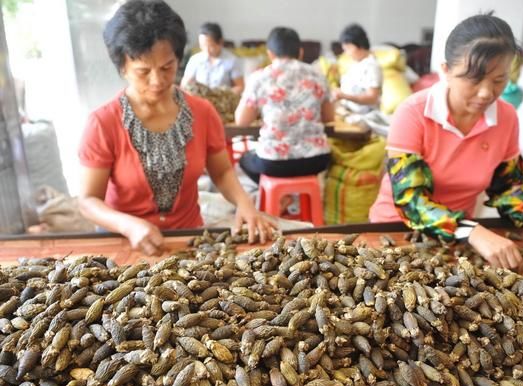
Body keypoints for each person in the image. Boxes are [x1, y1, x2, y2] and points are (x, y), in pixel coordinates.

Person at [78, 0, 274, 255]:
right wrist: (128, 226)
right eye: (143, 71)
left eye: (167, 67)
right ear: (122, 67)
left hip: (189, 240)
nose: (157, 80)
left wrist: (244, 203)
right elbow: (88, 200)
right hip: (127, 242)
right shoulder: (103, 123)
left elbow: (222, 171)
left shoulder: (202, 112)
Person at [369, 13, 523, 269]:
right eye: (474, 78)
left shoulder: (507, 117)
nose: (486, 92)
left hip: (459, 242)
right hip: (395, 233)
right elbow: (411, 200)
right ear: (446, 71)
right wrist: (473, 231)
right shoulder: (413, 113)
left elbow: (507, 185)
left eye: (499, 80)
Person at [234, 26, 334, 185]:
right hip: (317, 160)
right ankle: (293, 195)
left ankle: (279, 195)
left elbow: (242, 121)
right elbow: (329, 117)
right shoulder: (318, 75)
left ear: (270, 53)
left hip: (274, 162)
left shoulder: (260, 77)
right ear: (300, 52)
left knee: (245, 160)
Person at [180, 22, 244, 94]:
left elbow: (240, 87)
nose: (207, 50)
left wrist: (221, 94)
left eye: (211, 46)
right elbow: (185, 84)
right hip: (199, 100)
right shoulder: (195, 60)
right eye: (202, 46)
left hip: (222, 101)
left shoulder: (232, 60)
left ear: (220, 42)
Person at [332, 24, 382, 114]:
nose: (347, 53)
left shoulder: (371, 66)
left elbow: (372, 98)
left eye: (348, 48)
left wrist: (344, 96)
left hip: (363, 116)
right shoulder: (356, 64)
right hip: (347, 110)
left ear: (360, 45)